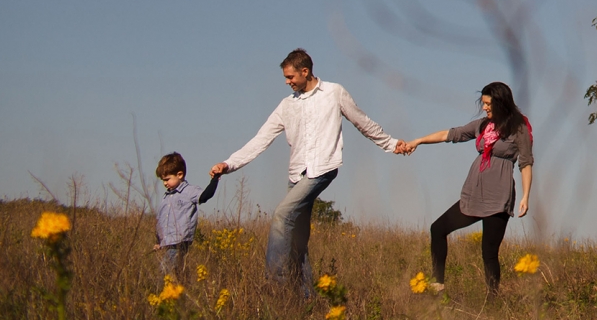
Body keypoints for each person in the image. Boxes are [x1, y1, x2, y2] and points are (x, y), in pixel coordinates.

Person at [208, 48, 408, 296]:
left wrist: (391, 143)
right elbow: (260, 140)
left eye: (290, 77)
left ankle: (275, 284)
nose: (287, 82)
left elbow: (362, 121)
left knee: (282, 214)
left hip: (322, 169)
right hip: (297, 175)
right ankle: (307, 298)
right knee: (297, 239)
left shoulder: (334, 92)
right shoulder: (287, 105)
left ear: (305, 71)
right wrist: (228, 164)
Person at [397, 81, 533, 295]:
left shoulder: (519, 128)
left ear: (500, 102)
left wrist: (525, 196)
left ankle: (493, 300)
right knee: (438, 229)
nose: (484, 107)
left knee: (489, 253)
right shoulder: (482, 126)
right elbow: (450, 134)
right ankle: (437, 284)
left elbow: (526, 163)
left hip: (498, 198)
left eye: (488, 104)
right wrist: (418, 141)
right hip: (473, 194)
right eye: (483, 103)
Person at [152, 152, 221, 280]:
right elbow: (161, 221)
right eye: (163, 180)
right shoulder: (166, 197)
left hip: (179, 242)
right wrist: (158, 241)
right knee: (178, 275)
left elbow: (205, 196)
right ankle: (184, 289)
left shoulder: (189, 191)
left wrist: (215, 180)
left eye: (167, 179)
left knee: (164, 274)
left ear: (180, 175)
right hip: (167, 243)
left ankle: (163, 291)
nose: (165, 183)